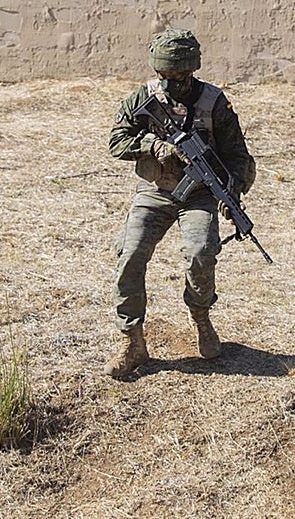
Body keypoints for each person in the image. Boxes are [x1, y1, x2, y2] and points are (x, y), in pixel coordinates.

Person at [105, 28, 256, 379]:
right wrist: (156, 146)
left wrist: (231, 191)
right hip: (157, 190)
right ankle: (132, 340)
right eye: (164, 75)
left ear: (192, 70)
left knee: (202, 251)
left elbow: (238, 156)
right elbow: (117, 142)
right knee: (130, 252)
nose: (171, 82)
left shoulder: (214, 103)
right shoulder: (143, 98)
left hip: (199, 194)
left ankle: (200, 316)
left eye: (179, 76)